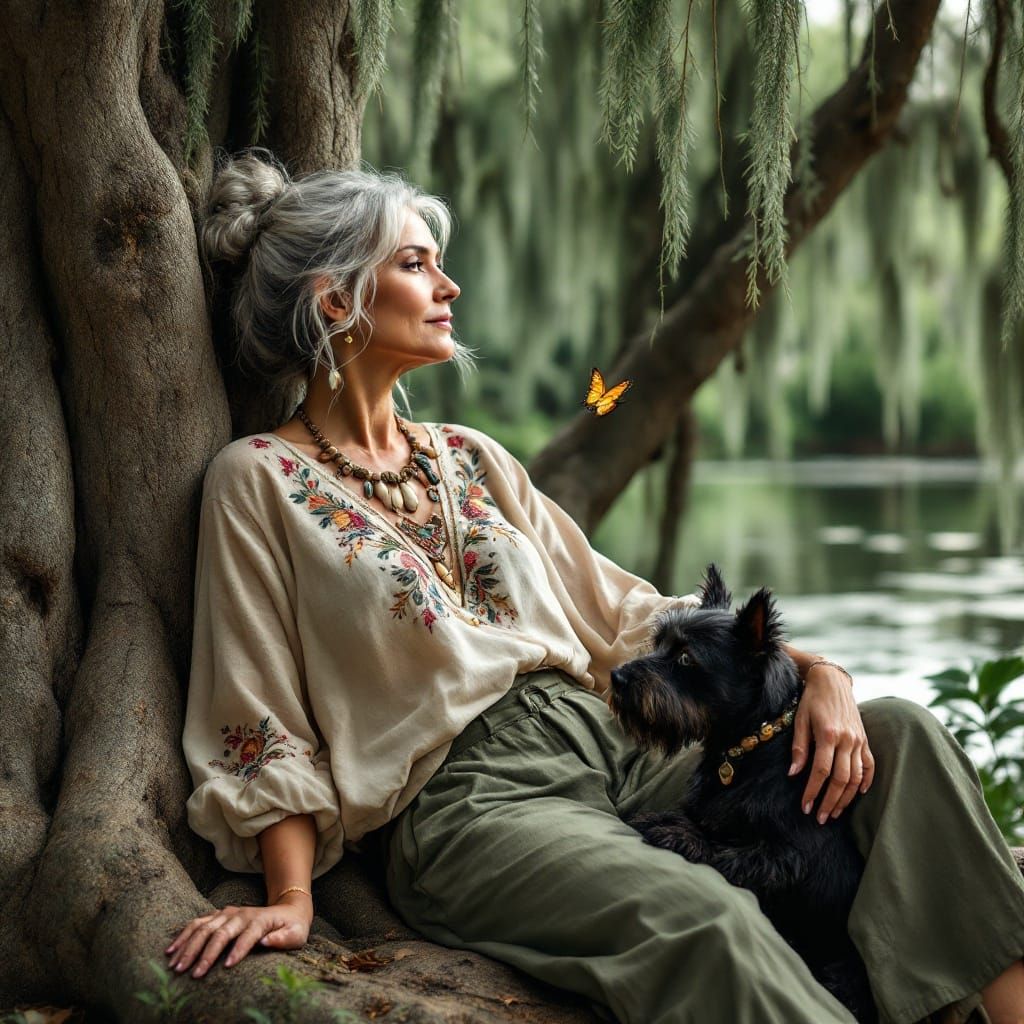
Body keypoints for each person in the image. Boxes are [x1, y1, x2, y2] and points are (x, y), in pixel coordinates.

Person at [165, 148, 1024, 1024]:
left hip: (625, 745)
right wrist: (292, 897)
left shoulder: (472, 457)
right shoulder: (258, 481)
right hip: (476, 806)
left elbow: (622, 613)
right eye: (417, 264)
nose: (449, 287)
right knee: (705, 920)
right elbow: (258, 711)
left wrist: (819, 673)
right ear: (334, 298)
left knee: (903, 734)